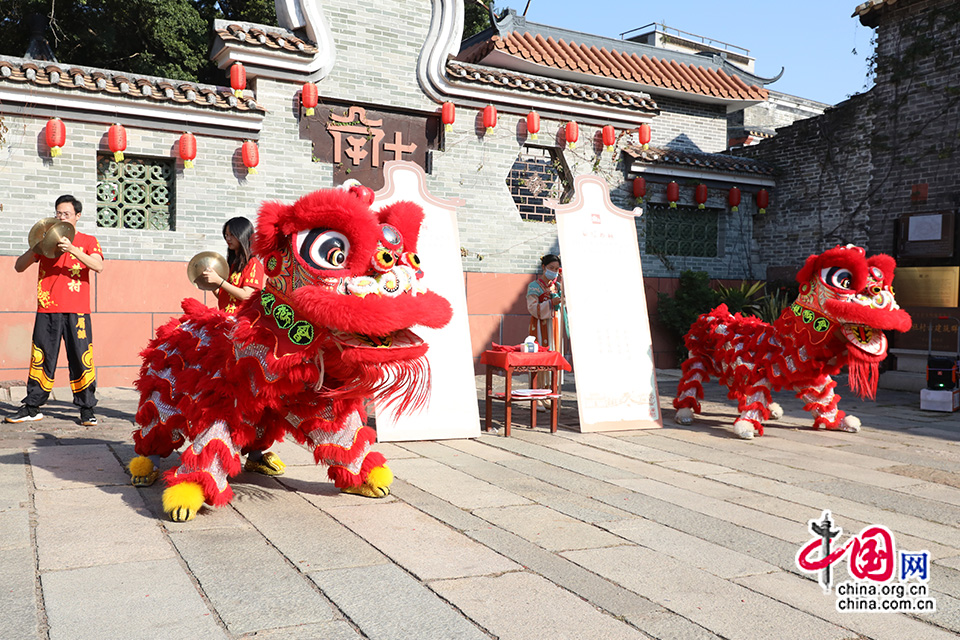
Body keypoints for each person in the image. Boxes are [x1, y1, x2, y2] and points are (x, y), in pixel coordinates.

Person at [6, 195, 104, 426]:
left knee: (80, 357)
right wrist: (36, 247)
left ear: (77, 216)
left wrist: (72, 249)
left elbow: (98, 265)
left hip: (78, 311)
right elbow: (19, 267)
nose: (61, 217)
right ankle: (32, 406)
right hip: (47, 309)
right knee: (42, 357)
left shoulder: (88, 240)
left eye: (66, 214)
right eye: (58, 213)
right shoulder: (46, 242)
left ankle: (87, 408)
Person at [199, 216, 285, 477]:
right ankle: (231, 445)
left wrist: (220, 282)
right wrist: (213, 284)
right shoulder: (233, 264)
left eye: (232, 235)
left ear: (244, 236)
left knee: (246, 395)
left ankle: (251, 451)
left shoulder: (253, 263)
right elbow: (226, 295)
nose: (228, 239)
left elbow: (248, 295)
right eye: (225, 235)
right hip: (224, 329)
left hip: (243, 334)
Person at [526, 254, 565, 399]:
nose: (553, 271)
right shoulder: (534, 286)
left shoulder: (558, 286)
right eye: (551, 268)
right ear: (543, 267)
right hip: (540, 325)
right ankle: (537, 393)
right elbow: (532, 308)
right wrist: (550, 303)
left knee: (554, 354)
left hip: (555, 325)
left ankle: (550, 391)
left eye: (556, 269)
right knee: (539, 356)